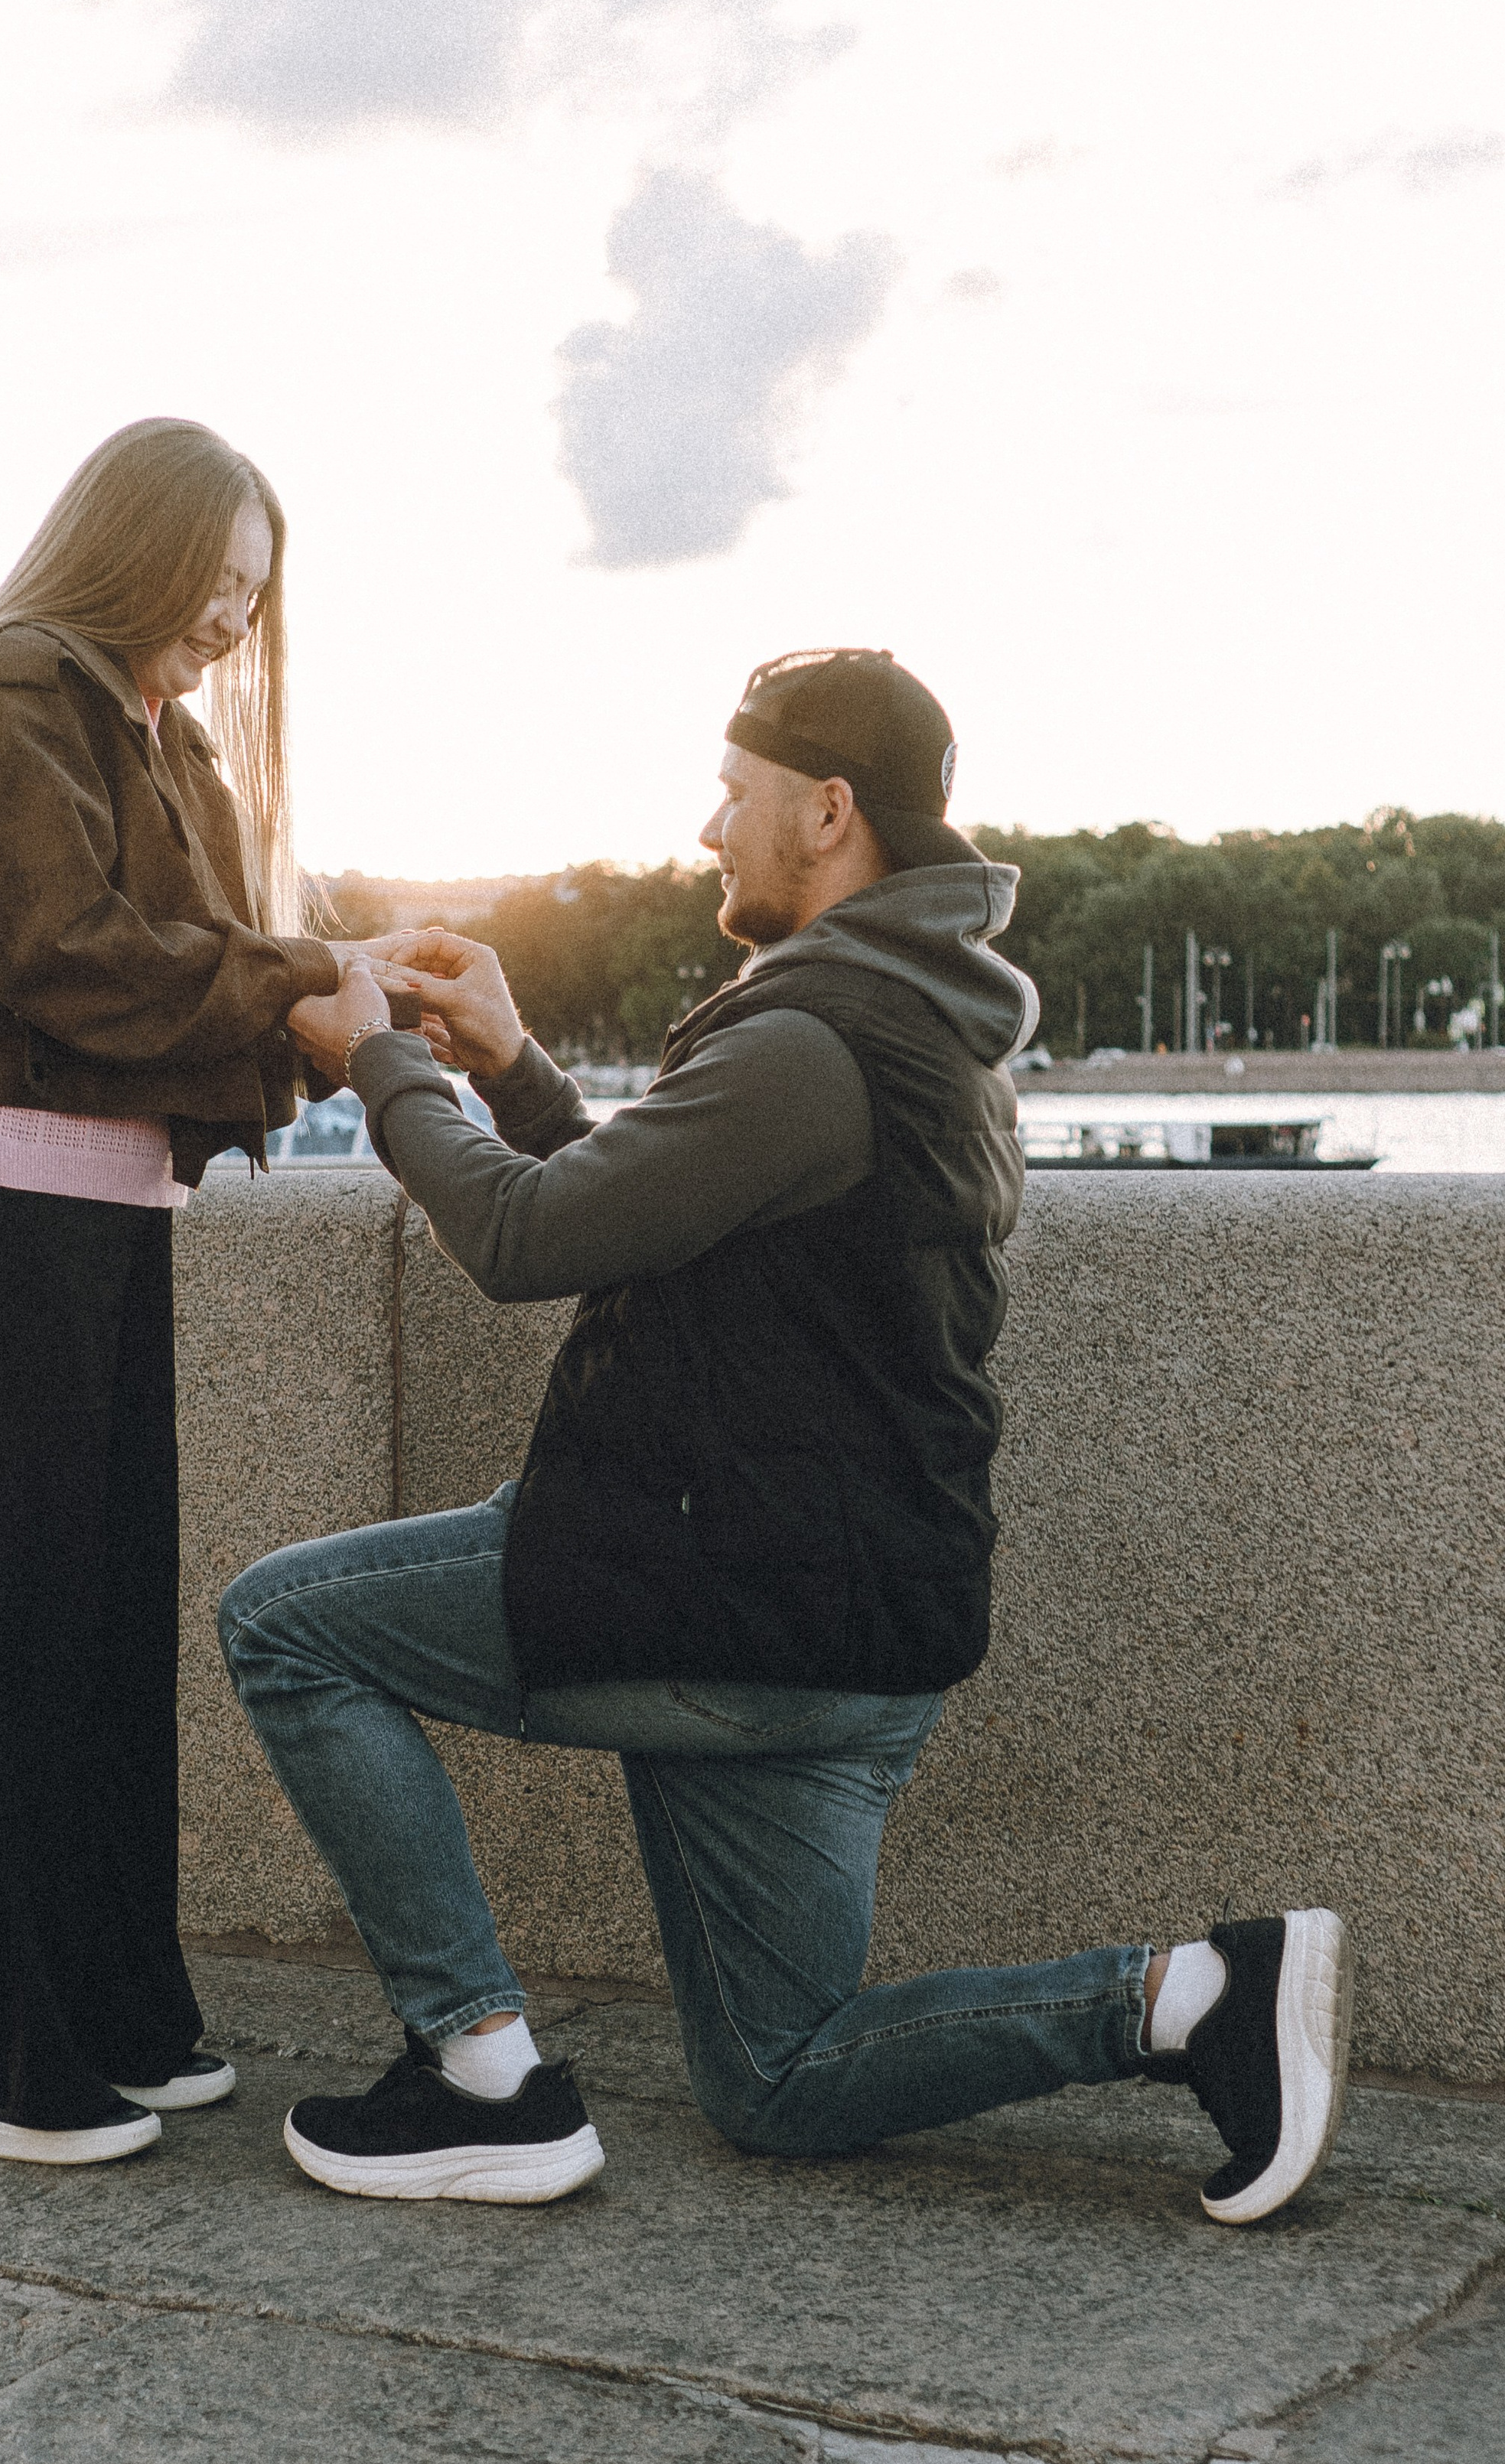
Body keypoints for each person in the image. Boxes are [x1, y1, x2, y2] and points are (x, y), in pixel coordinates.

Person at [223, 646, 1354, 2222]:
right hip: (847, 1626)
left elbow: (524, 1245)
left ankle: (477, 2075)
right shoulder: (910, 1024)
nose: (704, 831)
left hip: (723, 1594)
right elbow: (672, 1218)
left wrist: (382, 1065)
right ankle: (1183, 1998)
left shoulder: (806, 1036)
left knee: (284, 1626)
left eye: (732, 793)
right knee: (777, 2076)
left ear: (824, 810)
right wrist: (518, 1067)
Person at [0, 416, 394, 2169]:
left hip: (77, 1219)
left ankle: (107, 2015)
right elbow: (69, 960)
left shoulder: (142, 727)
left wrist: (334, 1006)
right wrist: (316, 985)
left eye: (251, 590)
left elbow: (175, 991)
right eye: (212, 578)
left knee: (89, 1642)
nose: (232, 617)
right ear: (128, 548)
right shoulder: (13, 692)